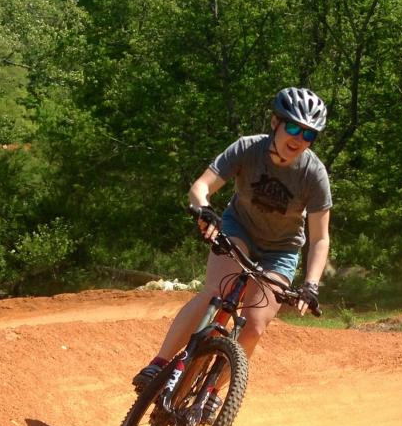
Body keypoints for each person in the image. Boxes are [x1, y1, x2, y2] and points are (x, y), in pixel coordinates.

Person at [132, 87, 332, 392]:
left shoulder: (314, 174)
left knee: (255, 324)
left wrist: (311, 285)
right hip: (239, 229)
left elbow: (319, 238)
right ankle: (159, 363)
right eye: (293, 127)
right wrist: (205, 211)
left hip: (281, 251)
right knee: (216, 292)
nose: (299, 138)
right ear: (275, 122)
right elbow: (200, 187)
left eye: (309, 134)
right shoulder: (248, 149)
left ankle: (213, 393)